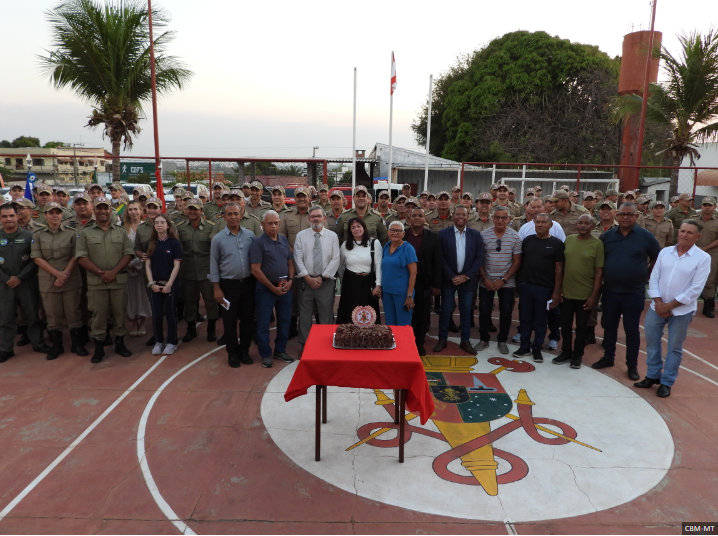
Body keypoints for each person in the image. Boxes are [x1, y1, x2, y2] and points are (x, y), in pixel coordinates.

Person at [636, 220, 711, 398]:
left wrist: (669, 306)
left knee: (674, 347)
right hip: (657, 306)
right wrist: (659, 303)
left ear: (698, 236)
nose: (684, 235)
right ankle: (652, 375)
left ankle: (667, 381)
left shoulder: (703, 258)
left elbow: (695, 289)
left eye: (689, 232)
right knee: (652, 343)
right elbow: (654, 278)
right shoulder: (665, 252)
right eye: (682, 231)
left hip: (681, 311)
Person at [592, 202, 661, 380]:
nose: (625, 217)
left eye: (629, 214)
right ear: (617, 215)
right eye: (622, 214)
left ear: (636, 216)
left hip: (634, 292)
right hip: (610, 291)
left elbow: (657, 259)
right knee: (609, 327)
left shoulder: (645, 237)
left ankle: (632, 365)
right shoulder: (607, 236)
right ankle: (608, 357)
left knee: (631, 330)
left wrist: (646, 275)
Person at [75, 197, 135, 363]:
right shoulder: (86, 232)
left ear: (110, 211)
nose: (102, 211)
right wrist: (102, 273)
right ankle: (99, 348)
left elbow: (128, 253)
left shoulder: (121, 231)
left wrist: (113, 272)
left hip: (118, 281)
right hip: (97, 283)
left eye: (106, 208)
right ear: (94, 210)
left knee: (119, 314)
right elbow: (80, 257)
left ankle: (120, 344)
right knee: (98, 316)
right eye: (99, 208)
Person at [0, 204, 51, 363]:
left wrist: (20, 277)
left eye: (11, 216)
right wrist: (7, 279)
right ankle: (6, 349)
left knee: (32, 314)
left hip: (26, 282)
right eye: (4, 216)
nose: (8, 219)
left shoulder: (29, 236)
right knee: (5, 318)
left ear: (17, 217)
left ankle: (38, 343)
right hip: (4, 284)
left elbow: (34, 259)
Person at [553, 214, 604, 369]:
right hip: (567, 293)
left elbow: (599, 272)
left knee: (581, 327)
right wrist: (559, 289)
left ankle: (577, 355)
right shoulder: (569, 240)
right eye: (580, 223)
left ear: (593, 225)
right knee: (565, 325)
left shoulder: (597, 244)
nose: (582, 225)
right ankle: (566, 351)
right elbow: (560, 267)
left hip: (585, 294)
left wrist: (594, 296)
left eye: (586, 223)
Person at [210, 203, 257, 368]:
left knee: (247, 319)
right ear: (224, 217)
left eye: (236, 213)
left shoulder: (250, 235)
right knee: (229, 321)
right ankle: (233, 353)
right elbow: (214, 265)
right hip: (228, 285)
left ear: (241, 214)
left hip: (248, 284)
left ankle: (244, 351)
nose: (233, 217)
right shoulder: (218, 239)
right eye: (229, 214)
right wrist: (217, 288)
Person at [512, 214, 564, 362]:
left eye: (543, 222)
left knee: (541, 320)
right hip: (526, 286)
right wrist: (518, 285)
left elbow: (559, 269)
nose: (540, 225)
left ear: (550, 225)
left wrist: (556, 291)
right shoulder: (527, 240)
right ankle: (524, 346)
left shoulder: (557, 244)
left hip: (545, 288)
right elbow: (520, 264)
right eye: (538, 222)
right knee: (525, 318)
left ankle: (536, 348)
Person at [434, 206, 484, 354]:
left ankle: (465, 340)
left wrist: (466, 276)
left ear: (468, 216)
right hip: (449, 280)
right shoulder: (443, 234)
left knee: (466, 310)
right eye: (458, 214)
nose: (461, 217)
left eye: (464, 214)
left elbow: (479, 257)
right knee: (446, 310)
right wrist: (452, 276)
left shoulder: (475, 235)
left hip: (468, 280)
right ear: (453, 216)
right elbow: (440, 257)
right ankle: (442, 339)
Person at [250, 210, 296, 368]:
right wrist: (272, 287)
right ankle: (265, 354)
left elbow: (290, 263)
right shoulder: (258, 243)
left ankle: (280, 350)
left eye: (276, 222)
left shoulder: (283, 240)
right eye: (270, 223)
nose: (274, 226)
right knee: (263, 323)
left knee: (284, 321)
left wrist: (290, 280)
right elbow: (255, 269)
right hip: (265, 290)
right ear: (263, 225)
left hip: (284, 288)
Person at [293, 206, 340, 355]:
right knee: (305, 315)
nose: (316, 219)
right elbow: (297, 258)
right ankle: (305, 345)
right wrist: (308, 277)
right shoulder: (301, 236)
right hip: (306, 282)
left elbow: (335, 259)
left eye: (319, 216)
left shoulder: (332, 236)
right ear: (309, 219)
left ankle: (325, 346)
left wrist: (322, 277)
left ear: (324, 218)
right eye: (313, 216)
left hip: (325, 281)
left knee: (326, 314)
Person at [476, 206, 522, 354]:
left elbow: (517, 262)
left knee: (506, 312)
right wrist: (485, 278)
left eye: (503, 218)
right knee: (484, 311)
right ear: (492, 218)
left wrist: (503, 279)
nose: (500, 220)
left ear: (509, 219)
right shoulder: (483, 235)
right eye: (497, 217)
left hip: (507, 282)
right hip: (486, 281)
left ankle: (502, 340)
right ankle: (484, 339)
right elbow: (479, 260)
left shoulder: (515, 237)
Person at [177, 198, 219, 342]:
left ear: (201, 211)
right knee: (189, 302)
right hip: (188, 271)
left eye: (196, 209)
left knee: (210, 302)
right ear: (186, 210)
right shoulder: (180, 227)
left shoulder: (210, 227)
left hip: (206, 271)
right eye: (190, 208)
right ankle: (191, 329)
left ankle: (211, 329)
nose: (193, 211)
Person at [405, 208, 442, 355]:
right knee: (406, 312)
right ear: (409, 219)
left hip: (423, 282)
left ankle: (419, 342)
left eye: (420, 215)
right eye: (414, 215)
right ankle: (405, 342)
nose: (417, 218)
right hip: (404, 281)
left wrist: (436, 284)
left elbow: (437, 263)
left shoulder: (433, 237)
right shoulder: (402, 235)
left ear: (424, 218)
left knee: (422, 314)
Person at [144, 214, 182, 356]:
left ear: (168, 225)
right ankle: (158, 341)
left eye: (162, 222)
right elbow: (147, 265)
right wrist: (152, 283)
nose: (159, 225)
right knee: (157, 314)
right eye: (157, 223)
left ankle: (172, 342)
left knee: (171, 314)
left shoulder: (174, 243)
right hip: (155, 285)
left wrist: (169, 284)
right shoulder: (150, 243)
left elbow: (176, 265)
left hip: (170, 284)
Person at [279, 186, 312, 339]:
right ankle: (291, 328)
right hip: (291, 262)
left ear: (309, 197)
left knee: (310, 296)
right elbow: (282, 238)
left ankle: (311, 328)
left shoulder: (315, 214)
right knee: (291, 297)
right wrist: (295, 252)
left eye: (304, 196)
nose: (301, 199)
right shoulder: (286, 216)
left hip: (311, 262)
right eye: (298, 196)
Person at [337, 217, 383, 324]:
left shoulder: (374, 243)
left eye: (358, 226)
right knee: (350, 311)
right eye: (353, 227)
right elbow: (340, 264)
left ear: (364, 227)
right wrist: (344, 280)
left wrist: (378, 285)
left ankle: (369, 338)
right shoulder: (345, 245)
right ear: (350, 230)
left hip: (369, 282)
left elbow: (378, 264)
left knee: (368, 313)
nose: (356, 229)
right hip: (351, 282)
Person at [122, 201, 151, 337]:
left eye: (136, 209)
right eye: (130, 210)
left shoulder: (146, 227)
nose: (133, 212)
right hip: (127, 266)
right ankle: (133, 321)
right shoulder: (122, 228)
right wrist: (128, 263)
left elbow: (147, 248)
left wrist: (138, 263)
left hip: (144, 266)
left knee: (143, 295)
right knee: (131, 296)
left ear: (141, 211)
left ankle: (143, 321)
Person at [381, 221, 418, 326]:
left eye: (398, 231)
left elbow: (413, 273)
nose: (395, 233)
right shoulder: (386, 247)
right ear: (388, 232)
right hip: (387, 293)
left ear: (403, 234)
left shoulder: (408, 248)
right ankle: (393, 343)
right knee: (390, 324)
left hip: (402, 294)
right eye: (392, 230)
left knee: (403, 325)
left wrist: (409, 295)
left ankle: (404, 343)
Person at [694, 197, 718, 318]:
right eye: (705, 205)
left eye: (710, 205)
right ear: (701, 206)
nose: (707, 207)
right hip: (694, 252)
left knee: (710, 279)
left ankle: (708, 307)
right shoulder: (693, 219)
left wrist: (706, 248)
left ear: (714, 206)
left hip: (712, 252)